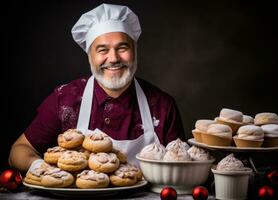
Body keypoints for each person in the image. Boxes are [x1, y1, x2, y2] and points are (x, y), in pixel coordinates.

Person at [8, 3, 185, 173]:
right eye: (102, 50)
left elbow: (182, 166)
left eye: (122, 47)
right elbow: (18, 151)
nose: (114, 58)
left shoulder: (162, 106)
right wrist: (44, 169)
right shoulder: (65, 100)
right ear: (90, 56)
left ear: (135, 51)